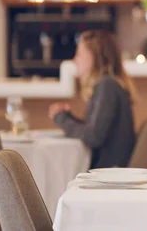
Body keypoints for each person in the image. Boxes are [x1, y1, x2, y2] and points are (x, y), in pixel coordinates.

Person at [49, 30, 140, 169]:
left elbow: (93, 137)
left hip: (107, 172)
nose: (74, 59)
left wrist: (61, 118)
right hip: (112, 169)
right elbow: (95, 130)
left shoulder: (107, 86)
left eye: (79, 54)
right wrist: (68, 117)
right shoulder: (110, 85)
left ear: (96, 57)